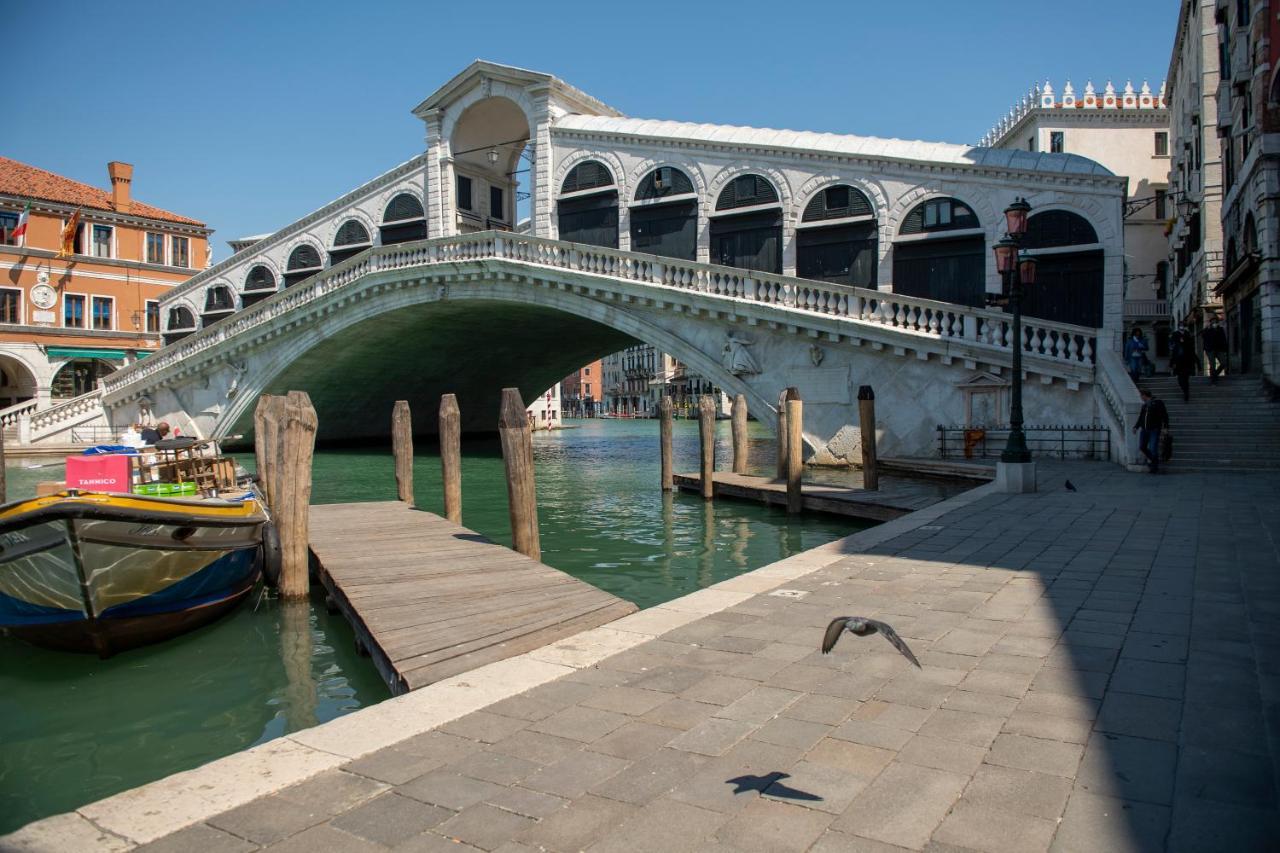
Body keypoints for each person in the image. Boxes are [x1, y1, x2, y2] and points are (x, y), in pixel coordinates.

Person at [1134, 388, 1169, 473]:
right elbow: (1141, 417)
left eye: (1141, 396)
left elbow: (1164, 415)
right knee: (1142, 446)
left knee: (1153, 448)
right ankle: (1154, 461)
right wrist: (1136, 426)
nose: (1141, 397)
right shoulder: (1145, 405)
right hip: (1144, 429)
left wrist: (1165, 427)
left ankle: (1154, 466)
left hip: (1154, 429)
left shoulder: (1157, 403)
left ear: (1145, 396)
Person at [1170, 323, 1195, 402]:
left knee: (1185, 379)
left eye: (1183, 325)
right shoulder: (1175, 335)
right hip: (1179, 362)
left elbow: (1191, 346)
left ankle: (1186, 393)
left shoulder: (1188, 334)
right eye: (1181, 325)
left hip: (1186, 362)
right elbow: (1173, 347)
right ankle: (1185, 391)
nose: (1182, 327)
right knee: (1180, 380)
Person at [1202, 314, 1228, 382]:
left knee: (1223, 363)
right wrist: (1207, 329)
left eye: (1215, 322)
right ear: (1210, 322)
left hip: (1219, 349)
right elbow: (1203, 336)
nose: (1214, 323)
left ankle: (1215, 374)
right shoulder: (1207, 330)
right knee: (1212, 365)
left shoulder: (1220, 329)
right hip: (1210, 349)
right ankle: (1213, 380)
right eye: (1212, 322)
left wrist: (1225, 348)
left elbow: (1223, 339)